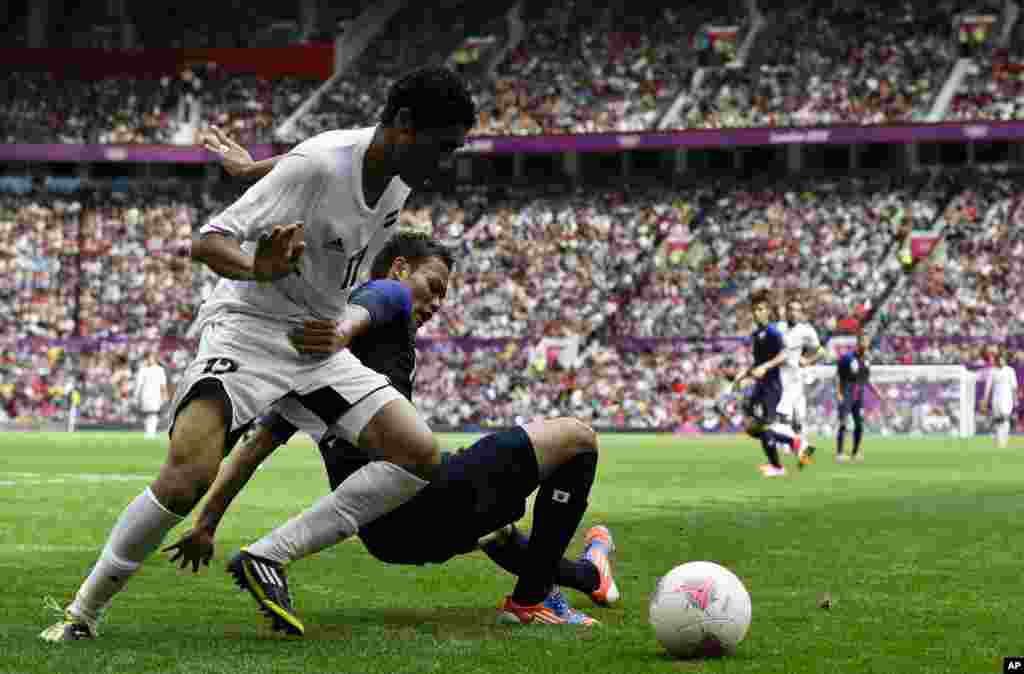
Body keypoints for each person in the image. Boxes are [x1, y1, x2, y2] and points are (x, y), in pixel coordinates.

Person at [41, 66, 475, 642]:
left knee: (417, 453)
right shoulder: (321, 162)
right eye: (442, 145)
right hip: (249, 328)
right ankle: (82, 614)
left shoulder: (395, 179)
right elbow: (208, 239)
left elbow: (311, 175)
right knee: (187, 477)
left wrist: (251, 171)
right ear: (403, 124)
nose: (445, 161)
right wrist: (256, 266)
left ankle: (270, 554)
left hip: (315, 341)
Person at [163, 234, 616, 631]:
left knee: (497, 531)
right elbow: (376, 299)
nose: (437, 303)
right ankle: (532, 602)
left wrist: (207, 524)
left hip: (386, 535)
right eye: (433, 287)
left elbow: (255, 446)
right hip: (418, 498)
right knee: (577, 438)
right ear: (401, 268)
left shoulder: (320, 369)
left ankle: (591, 576)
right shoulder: (383, 303)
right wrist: (344, 328)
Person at [731, 290, 797, 477]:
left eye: (761, 309)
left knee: (765, 426)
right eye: (754, 310)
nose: (757, 313)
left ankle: (777, 467)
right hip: (761, 386)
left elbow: (785, 354)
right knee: (751, 428)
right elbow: (757, 363)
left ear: (768, 311)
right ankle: (795, 444)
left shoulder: (772, 331)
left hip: (772, 387)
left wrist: (766, 367)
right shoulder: (757, 334)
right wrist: (742, 375)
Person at [776, 296, 825, 467]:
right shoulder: (778, 328)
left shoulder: (806, 330)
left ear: (801, 313)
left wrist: (808, 360)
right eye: (791, 310)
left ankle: (796, 449)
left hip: (795, 378)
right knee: (791, 420)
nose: (794, 313)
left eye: (797, 310)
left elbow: (820, 351)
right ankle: (801, 450)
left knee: (788, 418)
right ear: (786, 312)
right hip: (779, 377)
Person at [836, 333, 887, 462]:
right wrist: (839, 393)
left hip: (858, 394)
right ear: (858, 342)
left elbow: (866, 379)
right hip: (847, 392)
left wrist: (877, 392)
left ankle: (855, 453)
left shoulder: (866, 360)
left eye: (868, 341)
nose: (866, 344)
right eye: (864, 341)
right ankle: (840, 453)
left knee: (859, 424)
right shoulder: (847, 358)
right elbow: (838, 376)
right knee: (844, 422)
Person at [981, 347, 1019, 449]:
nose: (1001, 361)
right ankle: (998, 441)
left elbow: (1014, 386)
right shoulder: (992, 371)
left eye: (1003, 359)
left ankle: (1004, 441)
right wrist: (985, 400)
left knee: (1005, 418)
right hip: (996, 399)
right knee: (998, 420)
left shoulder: (1010, 371)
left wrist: (1015, 400)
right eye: (1000, 359)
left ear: (1005, 360)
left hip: (1007, 399)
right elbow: (988, 387)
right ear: (997, 360)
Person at [133, 353, 168, 439]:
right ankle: (150, 433)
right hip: (146, 395)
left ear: (155, 359)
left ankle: (151, 433)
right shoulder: (143, 370)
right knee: (150, 414)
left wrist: (164, 396)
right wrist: (136, 396)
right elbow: (139, 384)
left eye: (151, 358)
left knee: (153, 414)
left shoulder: (160, 370)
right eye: (148, 358)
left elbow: (162, 384)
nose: (149, 360)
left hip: (156, 395)